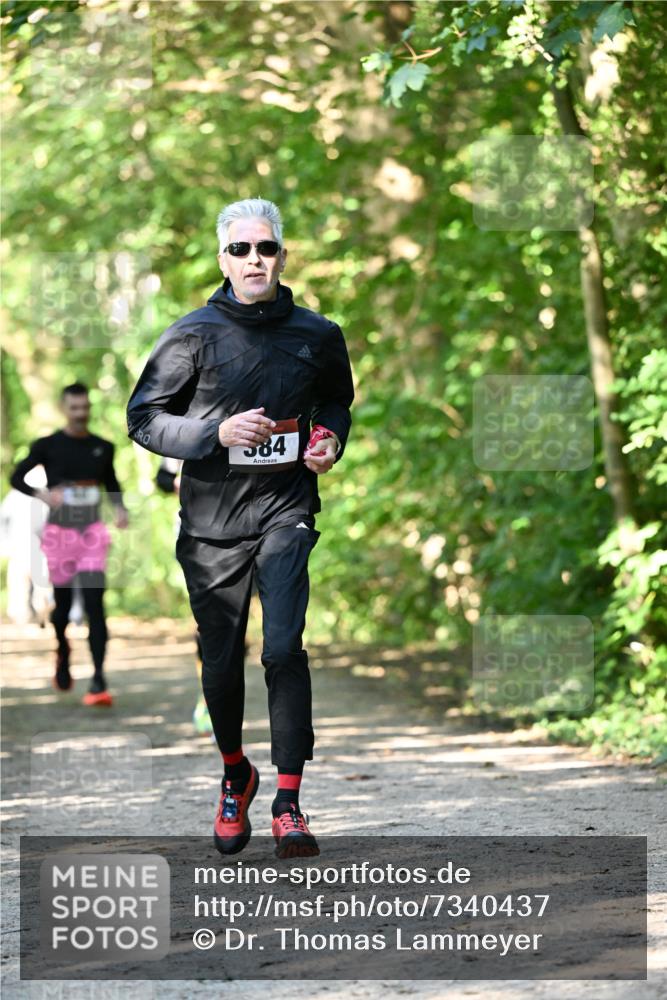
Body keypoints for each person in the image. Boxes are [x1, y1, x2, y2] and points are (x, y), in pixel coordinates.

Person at [127, 197, 354, 859]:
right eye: (241, 249)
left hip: (285, 511)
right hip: (210, 525)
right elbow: (143, 418)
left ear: (282, 255)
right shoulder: (190, 334)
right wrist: (212, 432)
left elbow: (335, 401)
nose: (255, 259)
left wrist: (329, 441)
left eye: (266, 248)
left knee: (283, 649)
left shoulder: (317, 334)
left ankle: (288, 799)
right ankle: (236, 773)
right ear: (222, 258)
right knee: (220, 664)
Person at [10, 382, 129, 705]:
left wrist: (119, 508)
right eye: (75, 408)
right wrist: (43, 494)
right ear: (65, 409)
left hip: (92, 534)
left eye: (85, 408)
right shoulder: (47, 445)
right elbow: (16, 476)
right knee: (61, 608)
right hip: (59, 536)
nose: (81, 414)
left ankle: (99, 679)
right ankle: (62, 649)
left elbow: (111, 482)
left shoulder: (103, 447)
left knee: (95, 605)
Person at [155, 456, 213, 736]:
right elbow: (162, 479)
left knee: (234, 625)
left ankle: (222, 690)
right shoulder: (185, 429)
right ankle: (207, 697)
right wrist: (176, 481)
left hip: (249, 530)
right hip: (195, 532)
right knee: (207, 621)